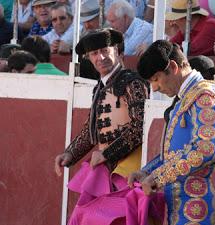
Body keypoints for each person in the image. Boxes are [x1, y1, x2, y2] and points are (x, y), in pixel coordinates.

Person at [129, 40, 215, 225]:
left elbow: (206, 149)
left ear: (173, 66)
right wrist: (146, 172)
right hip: (180, 205)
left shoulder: (204, 97)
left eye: (156, 78)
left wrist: (159, 176)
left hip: (195, 207)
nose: (154, 87)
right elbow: (174, 155)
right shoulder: (186, 98)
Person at [54, 29, 149, 222]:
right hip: (106, 166)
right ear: (89, 58)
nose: (101, 57)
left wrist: (107, 154)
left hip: (130, 165)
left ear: (116, 50)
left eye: (105, 50)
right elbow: (92, 130)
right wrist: (70, 153)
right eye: (95, 53)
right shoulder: (100, 87)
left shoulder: (133, 83)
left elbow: (139, 128)